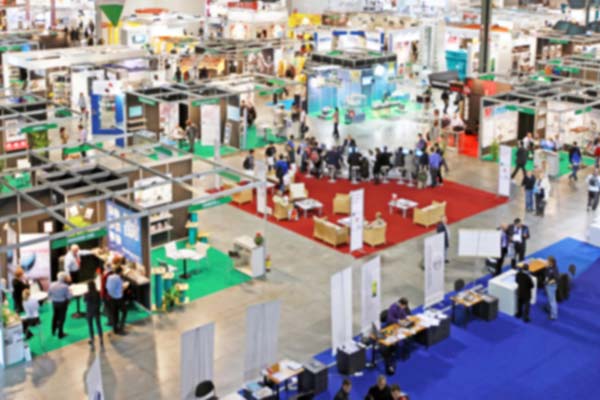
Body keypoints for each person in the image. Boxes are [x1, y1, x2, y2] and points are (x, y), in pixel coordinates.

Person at [48, 272, 72, 338]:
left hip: (54, 303)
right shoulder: (65, 286)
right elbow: (69, 296)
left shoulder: (52, 284)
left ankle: (53, 330)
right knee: (61, 318)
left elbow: (49, 294)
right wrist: (70, 292)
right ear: (64, 278)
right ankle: (60, 334)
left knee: (55, 316)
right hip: (62, 304)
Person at [106, 266, 127, 335]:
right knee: (124, 311)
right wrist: (125, 287)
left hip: (111, 298)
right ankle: (121, 326)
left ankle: (115, 329)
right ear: (120, 272)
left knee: (115, 314)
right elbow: (121, 289)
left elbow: (107, 287)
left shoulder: (109, 277)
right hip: (118, 298)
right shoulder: (119, 279)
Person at [84, 280, 104, 350]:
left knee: (90, 326)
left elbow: (85, 301)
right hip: (97, 311)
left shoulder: (86, 294)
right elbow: (100, 301)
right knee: (98, 325)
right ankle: (101, 340)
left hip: (89, 311)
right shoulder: (98, 293)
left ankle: (92, 342)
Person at [545, 256, 559, 320]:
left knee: (552, 301)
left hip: (551, 286)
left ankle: (553, 315)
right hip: (548, 285)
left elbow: (556, 279)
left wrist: (549, 282)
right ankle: (548, 308)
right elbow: (547, 274)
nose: (546, 262)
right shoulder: (548, 267)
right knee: (549, 298)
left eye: (547, 261)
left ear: (551, 262)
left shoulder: (555, 269)